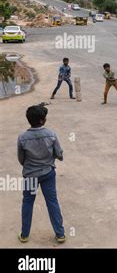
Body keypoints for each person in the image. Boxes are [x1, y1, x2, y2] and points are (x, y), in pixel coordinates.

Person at [17, 104, 66, 243]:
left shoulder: (22, 137)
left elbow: (21, 159)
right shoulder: (51, 134)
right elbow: (59, 153)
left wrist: (29, 166)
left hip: (30, 175)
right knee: (52, 201)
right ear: (42, 121)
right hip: (48, 173)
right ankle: (60, 234)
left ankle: (24, 235)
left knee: (27, 202)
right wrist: (57, 158)